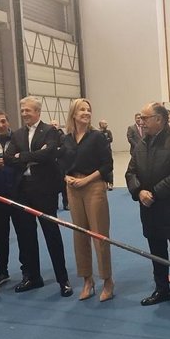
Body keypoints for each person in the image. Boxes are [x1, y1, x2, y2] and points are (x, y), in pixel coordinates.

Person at [125, 102, 170, 313]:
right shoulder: (141, 144)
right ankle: (162, 290)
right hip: (149, 210)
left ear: (159, 119)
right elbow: (130, 173)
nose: (141, 121)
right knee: (157, 253)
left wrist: (154, 193)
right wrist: (139, 191)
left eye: (145, 118)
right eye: (141, 118)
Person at [4, 96, 73, 297]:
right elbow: (8, 158)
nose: (25, 113)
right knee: (26, 237)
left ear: (38, 112)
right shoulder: (17, 135)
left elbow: (49, 153)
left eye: (28, 110)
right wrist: (33, 156)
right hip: (22, 191)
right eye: (23, 110)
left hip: (44, 191)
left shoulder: (50, 131)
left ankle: (63, 279)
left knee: (52, 234)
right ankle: (33, 277)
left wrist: (22, 157)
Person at [62, 99, 115, 302]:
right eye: (82, 109)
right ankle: (87, 280)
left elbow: (107, 165)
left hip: (93, 186)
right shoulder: (66, 139)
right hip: (73, 187)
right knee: (79, 235)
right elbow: (61, 164)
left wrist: (86, 180)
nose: (86, 112)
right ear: (73, 114)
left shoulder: (98, 137)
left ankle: (107, 281)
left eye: (88, 109)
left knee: (99, 235)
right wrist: (66, 177)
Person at [0, 110, 21, 287]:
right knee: (0, 237)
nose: (0, 125)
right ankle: (2, 271)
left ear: (8, 122)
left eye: (3, 121)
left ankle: (28, 270)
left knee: (24, 235)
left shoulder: (19, 140)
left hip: (18, 195)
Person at [99, 119, 114, 190]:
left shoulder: (108, 132)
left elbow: (110, 139)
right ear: (101, 124)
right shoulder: (97, 132)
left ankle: (111, 183)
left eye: (106, 123)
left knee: (110, 168)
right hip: (100, 153)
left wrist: (104, 140)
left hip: (108, 152)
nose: (106, 125)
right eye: (104, 123)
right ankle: (105, 183)